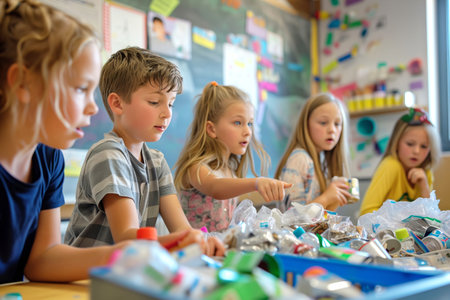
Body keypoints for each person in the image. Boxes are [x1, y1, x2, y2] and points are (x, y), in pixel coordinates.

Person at [0, 0, 131, 284]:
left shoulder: (49, 158)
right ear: (22, 83)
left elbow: (42, 259)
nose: (93, 107)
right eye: (81, 89)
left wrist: (126, 255)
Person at [64, 47, 224, 256]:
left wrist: (203, 242)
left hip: (128, 271)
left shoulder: (156, 162)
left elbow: (182, 229)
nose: (167, 113)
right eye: (154, 102)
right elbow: (127, 237)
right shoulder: (108, 154)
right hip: (84, 275)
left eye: (171, 104)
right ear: (117, 103)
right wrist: (184, 239)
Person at [173, 82, 292, 232]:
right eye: (238, 122)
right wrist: (257, 182)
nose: (248, 131)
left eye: (250, 123)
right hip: (196, 251)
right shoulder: (196, 167)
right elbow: (215, 187)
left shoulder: (230, 170)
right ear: (211, 129)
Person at [274, 93, 352, 211]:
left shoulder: (320, 159)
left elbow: (320, 219)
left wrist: (334, 199)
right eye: (323, 122)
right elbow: (291, 217)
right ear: (306, 124)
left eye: (337, 124)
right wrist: (326, 197)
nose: (332, 130)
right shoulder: (300, 159)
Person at [359, 107, 441, 215]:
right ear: (396, 142)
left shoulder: (426, 172)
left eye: (424, 146)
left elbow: (431, 217)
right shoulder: (391, 166)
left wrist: (424, 186)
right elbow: (365, 212)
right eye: (410, 144)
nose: (416, 151)